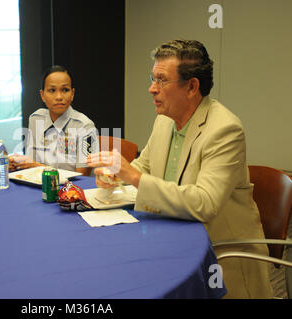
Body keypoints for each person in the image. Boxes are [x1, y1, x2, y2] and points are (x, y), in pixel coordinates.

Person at [87, 39, 273, 299]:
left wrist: (132, 175)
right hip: (172, 237)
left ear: (192, 86)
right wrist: (114, 177)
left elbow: (205, 203)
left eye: (162, 80)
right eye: (152, 78)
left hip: (219, 256)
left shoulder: (225, 130)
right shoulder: (165, 121)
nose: (152, 89)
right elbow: (145, 167)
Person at [9, 65, 99, 175]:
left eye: (65, 90)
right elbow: (30, 163)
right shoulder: (36, 119)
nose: (59, 97)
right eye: (52, 90)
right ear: (42, 95)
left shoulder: (85, 126)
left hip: (70, 190)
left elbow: (82, 177)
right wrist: (17, 163)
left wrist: (39, 168)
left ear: (72, 94)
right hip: (38, 186)